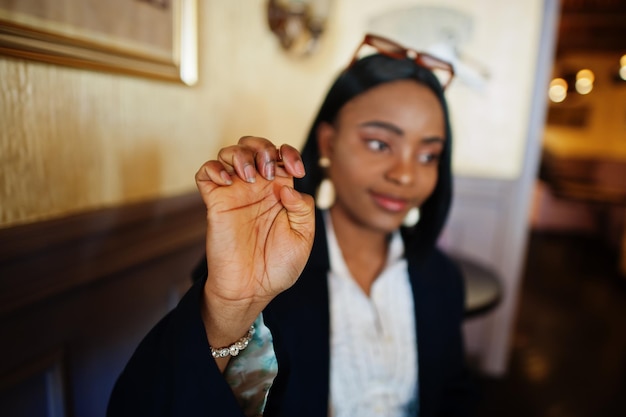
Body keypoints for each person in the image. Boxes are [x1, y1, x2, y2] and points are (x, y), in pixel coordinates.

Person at [107, 33, 476, 417]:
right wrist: (231, 308)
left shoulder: (442, 278)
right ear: (328, 142)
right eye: (380, 144)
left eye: (429, 154)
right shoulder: (269, 265)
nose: (405, 175)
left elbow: (452, 395)